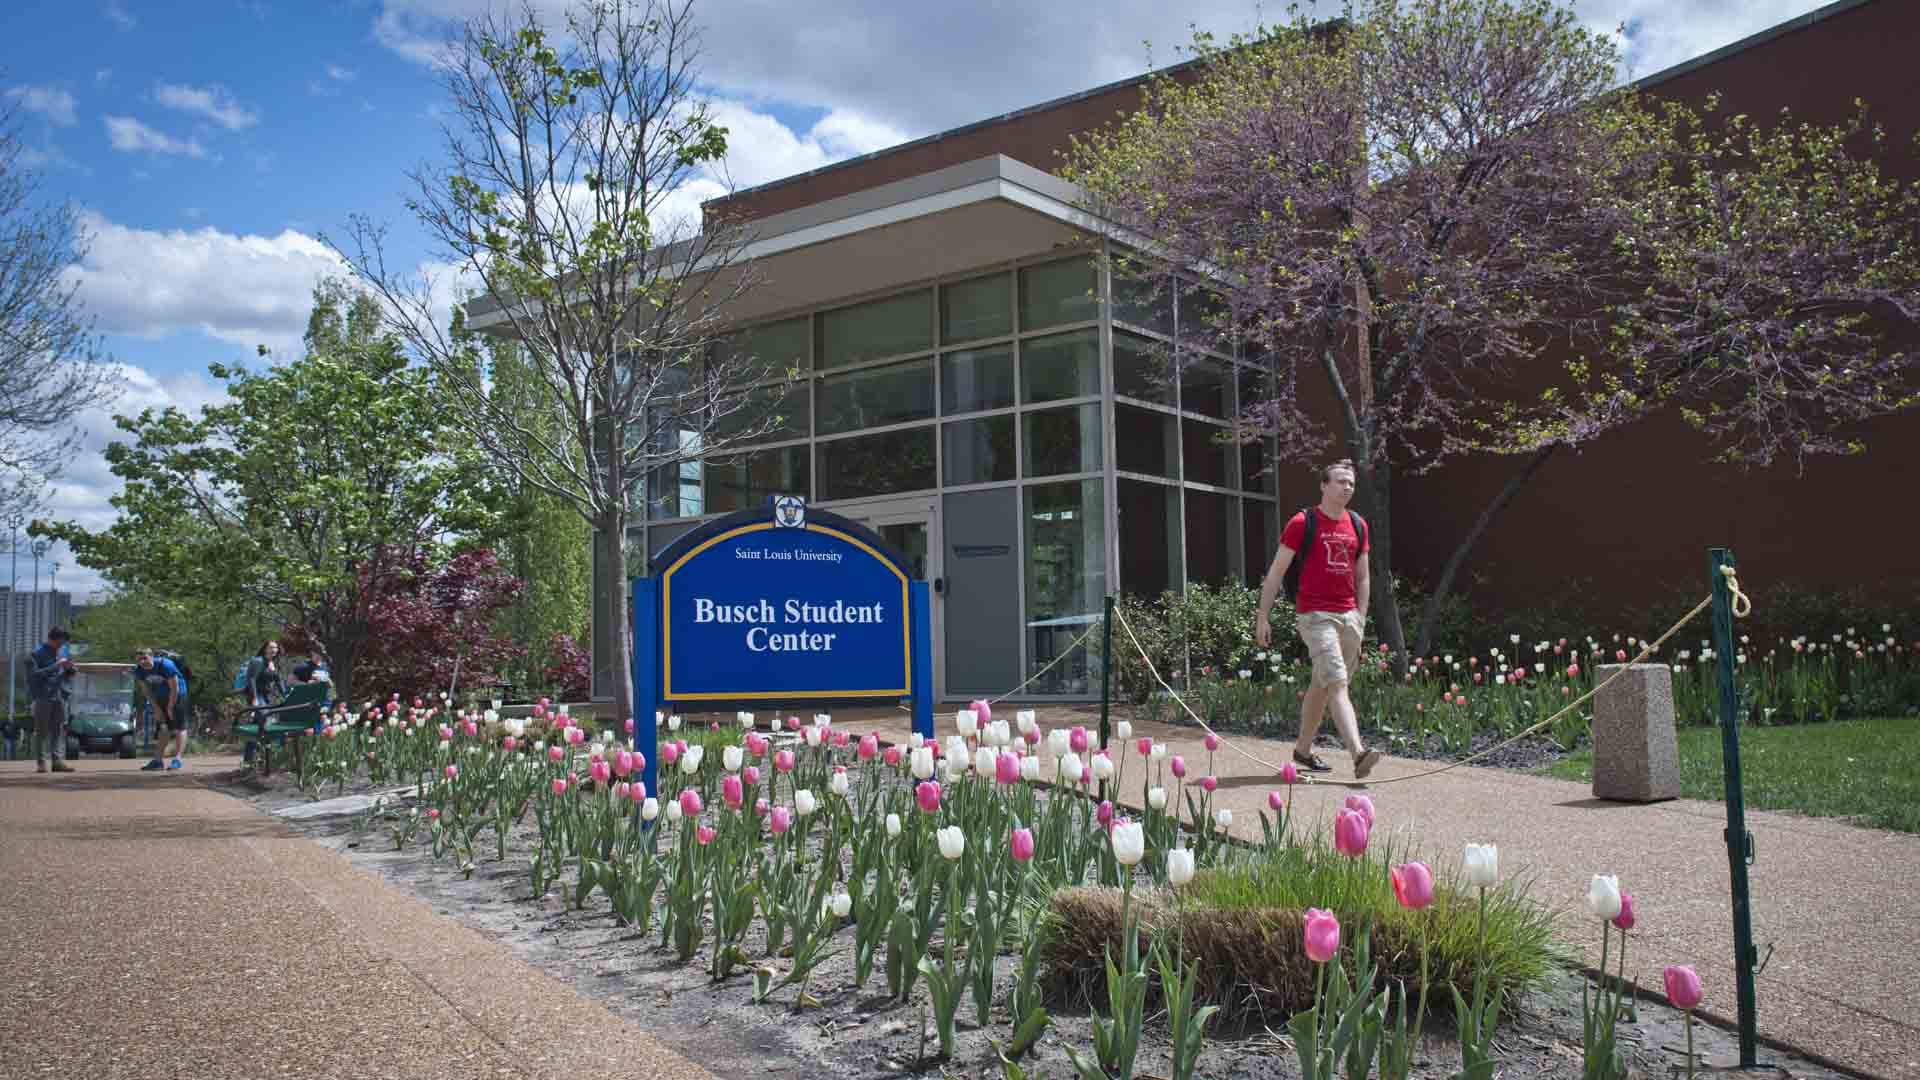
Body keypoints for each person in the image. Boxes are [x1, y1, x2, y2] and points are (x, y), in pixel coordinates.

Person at [1255, 459, 1383, 781]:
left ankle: (1302, 749)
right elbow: (1275, 573)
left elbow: (1363, 576)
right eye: (1340, 481)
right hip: (1315, 616)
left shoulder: (1358, 524)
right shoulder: (1303, 522)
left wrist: (1361, 616)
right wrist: (1262, 618)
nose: (1347, 487)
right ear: (1324, 485)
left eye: (1351, 483)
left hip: (1349, 616)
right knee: (1337, 683)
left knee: (1322, 684)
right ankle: (1358, 754)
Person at [28, 627, 77, 773]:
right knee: (42, 731)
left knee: (58, 730)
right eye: (62, 641)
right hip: (43, 696)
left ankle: (57, 761)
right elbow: (34, 676)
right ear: (54, 639)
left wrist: (69, 670)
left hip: (59, 696)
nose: (63, 645)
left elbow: (63, 674)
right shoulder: (35, 654)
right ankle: (41, 763)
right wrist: (56, 665)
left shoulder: (61, 652)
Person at [135, 647, 190, 771]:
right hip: (159, 697)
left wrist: (170, 706)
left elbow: (174, 687)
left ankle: (177, 759)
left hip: (178, 695)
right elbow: (146, 691)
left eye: (145, 658)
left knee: (179, 727)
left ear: (151, 656)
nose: (142, 661)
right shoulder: (139, 670)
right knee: (163, 727)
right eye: (139, 659)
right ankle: (158, 761)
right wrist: (156, 708)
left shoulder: (166, 665)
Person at [241, 640, 285, 765]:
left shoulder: (273, 663)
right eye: (271, 647)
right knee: (266, 721)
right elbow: (252, 679)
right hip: (255, 695)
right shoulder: (257, 661)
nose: (274, 650)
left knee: (257, 728)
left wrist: (286, 695)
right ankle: (262, 759)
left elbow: (278, 680)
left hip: (265, 697)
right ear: (265, 648)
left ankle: (249, 761)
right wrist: (254, 698)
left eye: (276, 647)